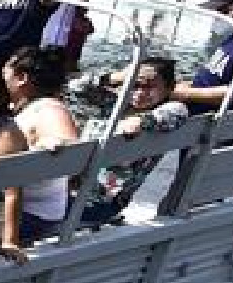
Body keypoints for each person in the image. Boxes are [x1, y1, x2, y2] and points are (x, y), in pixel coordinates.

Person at [0, 46, 79, 259]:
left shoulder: (48, 108)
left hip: (30, 215)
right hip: (16, 206)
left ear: (22, 78)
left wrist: (53, 144)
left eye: (7, 66)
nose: (2, 70)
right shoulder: (22, 108)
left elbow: (68, 144)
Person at [78, 56, 189, 227]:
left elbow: (175, 114)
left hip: (101, 202)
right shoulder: (115, 103)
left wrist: (140, 121)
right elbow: (76, 87)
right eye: (135, 85)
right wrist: (119, 76)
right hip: (75, 187)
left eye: (150, 87)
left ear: (169, 88)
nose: (140, 93)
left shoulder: (170, 110)